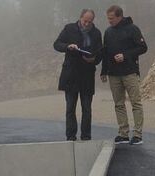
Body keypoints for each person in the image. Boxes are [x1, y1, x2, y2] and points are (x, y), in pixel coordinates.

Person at [100, 5, 148, 145]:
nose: (109, 21)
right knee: (118, 104)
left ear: (120, 16)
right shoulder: (108, 32)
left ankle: (138, 134)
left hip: (130, 72)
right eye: (108, 18)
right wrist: (104, 71)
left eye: (112, 18)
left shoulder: (133, 29)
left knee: (136, 103)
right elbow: (105, 52)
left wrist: (125, 55)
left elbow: (143, 47)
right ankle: (123, 134)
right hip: (113, 74)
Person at [54, 9, 103, 141]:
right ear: (80, 17)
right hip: (71, 74)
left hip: (87, 75)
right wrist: (68, 46)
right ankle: (71, 136)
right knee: (70, 108)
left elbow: (100, 53)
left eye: (90, 21)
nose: (87, 24)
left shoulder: (96, 33)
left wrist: (94, 59)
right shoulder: (69, 28)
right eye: (85, 21)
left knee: (87, 109)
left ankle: (86, 136)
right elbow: (57, 44)